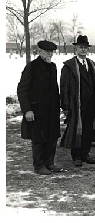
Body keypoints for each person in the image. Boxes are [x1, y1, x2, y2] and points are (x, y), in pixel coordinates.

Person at [60, 35, 95, 167]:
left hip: (91, 104)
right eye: (80, 47)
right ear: (76, 49)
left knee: (88, 130)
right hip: (76, 105)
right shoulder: (69, 67)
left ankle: (85, 153)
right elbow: (64, 88)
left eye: (85, 48)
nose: (83, 50)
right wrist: (66, 107)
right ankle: (76, 156)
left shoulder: (93, 66)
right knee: (76, 130)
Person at [17, 40, 63, 175]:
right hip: (37, 110)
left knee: (52, 137)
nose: (50, 54)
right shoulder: (32, 67)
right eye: (47, 52)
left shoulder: (53, 67)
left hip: (51, 110)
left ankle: (49, 163)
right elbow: (22, 89)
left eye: (51, 52)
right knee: (38, 138)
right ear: (40, 52)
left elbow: (54, 89)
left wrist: (58, 105)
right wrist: (27, 110)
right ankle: (39, 165)